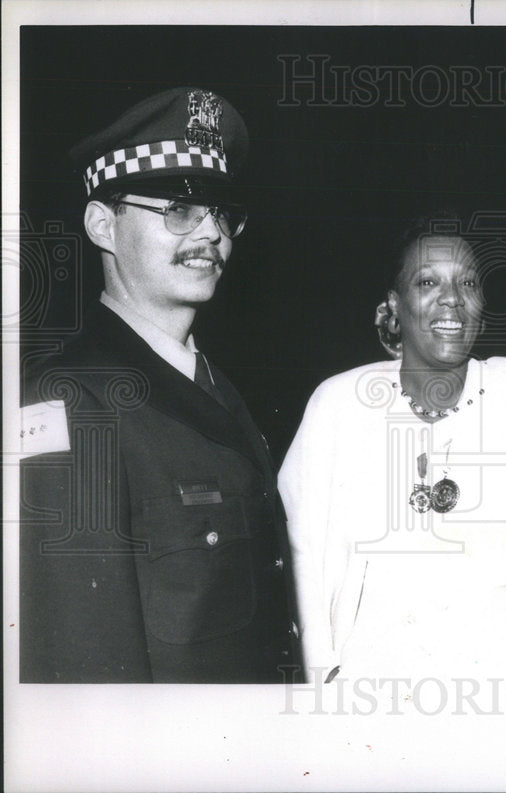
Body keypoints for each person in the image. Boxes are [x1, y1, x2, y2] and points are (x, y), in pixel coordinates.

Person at [19, 87, 297, 682]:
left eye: (223, 213)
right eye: (178, 209)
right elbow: (83, 667)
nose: (212, 234)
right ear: (102, 224)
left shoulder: (218, 385)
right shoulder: (68, 404)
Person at [279, 219, 506, 686]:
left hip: (503, 689)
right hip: (370, 688)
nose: (452, 297)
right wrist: (324, 676)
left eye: (468, 282)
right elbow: (306, 551)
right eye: (428, 282)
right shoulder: (338, 404)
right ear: (394, 307)